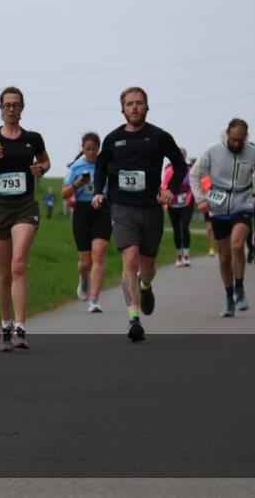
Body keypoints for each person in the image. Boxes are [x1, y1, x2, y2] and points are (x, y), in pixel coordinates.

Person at [92, 87, 186, 342]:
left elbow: (179, 165)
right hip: (122, 208)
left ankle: (145, 285)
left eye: (139, 103)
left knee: (147, 266)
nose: (134, 107)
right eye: (129, 104)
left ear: (147, 107)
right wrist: (98, 191)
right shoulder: (113, 139)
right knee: (130, 258)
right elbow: (100, 166)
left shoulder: (159, 137)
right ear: (122, 109)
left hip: (151, 208)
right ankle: (134, 318)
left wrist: (170, 189)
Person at [0, 87, 50, 351]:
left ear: (22, 108)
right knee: (3, 273)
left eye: (16, 105)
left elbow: (45, 162)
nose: (11, 109)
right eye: (7, 105)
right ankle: (5, 326)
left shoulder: (33, 138)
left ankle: (20, 327)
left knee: (18, 264)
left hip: (25, 207)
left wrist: (40, 169)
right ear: (0, 108)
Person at [190, 119, 255, 317]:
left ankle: (240, 287)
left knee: (237, 244)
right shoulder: (212, 150)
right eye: (233, 139)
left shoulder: (253, 152)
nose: (236, 143)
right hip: (218, 202)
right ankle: (229, 297)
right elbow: (194, 175)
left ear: (246, 137)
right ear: (227, 135)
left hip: (242, 200)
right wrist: (200, 199)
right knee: (224, 258)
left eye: (240, 140)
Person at [63, 132, 111, 312]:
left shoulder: (105, 165)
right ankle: (83, 280)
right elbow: (64, 194)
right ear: (83, 149)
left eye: (94, 149)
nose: (91, 152)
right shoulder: (75, 167)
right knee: (85, 263)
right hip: (82, 212)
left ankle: (94, 299)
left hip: (102, 210)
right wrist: (77, 184)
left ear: (99, 149)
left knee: (99, 254)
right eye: (88, 149)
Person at [162, 148, 194, 267]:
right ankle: (179, 255)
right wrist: (165, 201)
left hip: (187, 202)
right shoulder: (169, 170)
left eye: (183, 155)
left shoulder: (190, 169)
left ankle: (186, 256)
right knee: (176, 229)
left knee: (185, 227)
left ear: (185, 156)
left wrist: (190, 197)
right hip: (173, 202)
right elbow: (164, 185)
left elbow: (193, 184)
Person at [200, 173, 217, 256]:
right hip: (207, 207)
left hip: (216, 207)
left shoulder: (218, 180)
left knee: (214, 229)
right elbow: (202, 193)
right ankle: (211, 248)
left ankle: (215, 247)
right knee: (208, 229)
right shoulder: (204, 181)